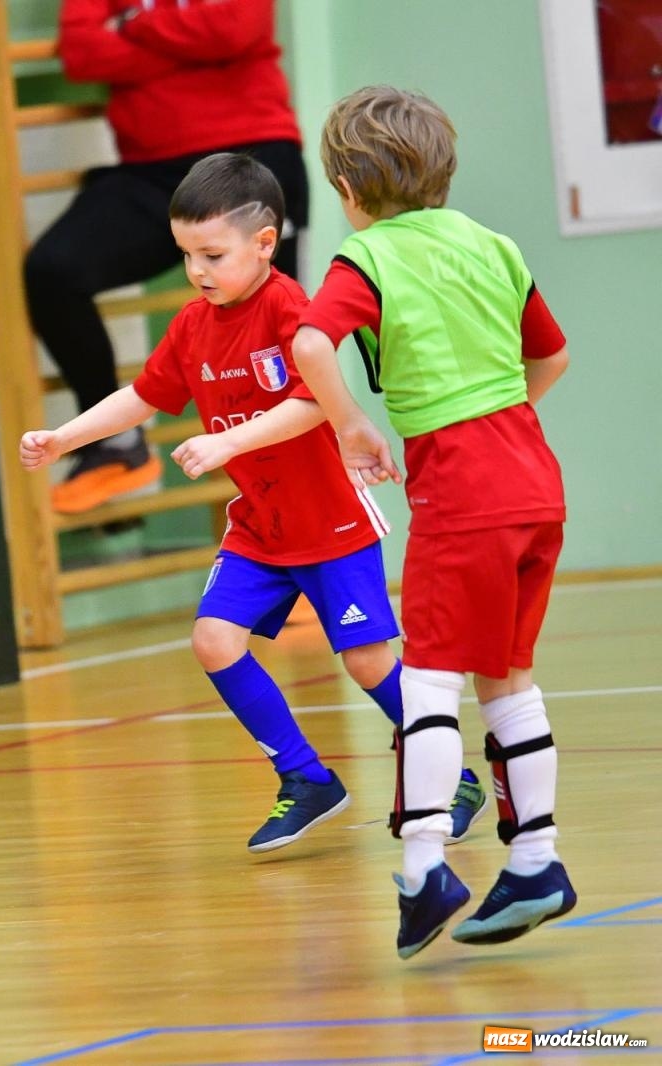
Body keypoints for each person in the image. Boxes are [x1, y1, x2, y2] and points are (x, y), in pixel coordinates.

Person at [19, 154, 483, 854]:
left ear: (264, 244)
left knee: (364, 662)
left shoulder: (293, 310)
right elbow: (144, 396)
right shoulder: (191, 325)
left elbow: (313, 403)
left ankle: (456, 779)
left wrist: (227, 445)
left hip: (332, 522)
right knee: (213, 641)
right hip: (261, 528)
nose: (198, 271)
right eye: (185, 256)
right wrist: (66, 436)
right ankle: (306, 778)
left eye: (212, 254)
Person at [292, 86, 576, 958]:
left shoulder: (364, 257)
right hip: (534, 478)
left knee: (428, 680)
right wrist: (498, 420)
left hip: (464, 493)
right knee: (507, 677)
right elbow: (552, 354)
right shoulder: (493, 244)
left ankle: (424, 867)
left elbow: (308, 346)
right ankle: (535, 860)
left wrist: (351, 427)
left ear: (345, 186)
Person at [27, 0, 310, 515]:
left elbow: (236, 26)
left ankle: (312, 513)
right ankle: (114, 446)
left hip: (254, 154)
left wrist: (133, 26)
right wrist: (189, 45)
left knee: (278, 346)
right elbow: (84, 54)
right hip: (150, 174)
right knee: (52, 271)